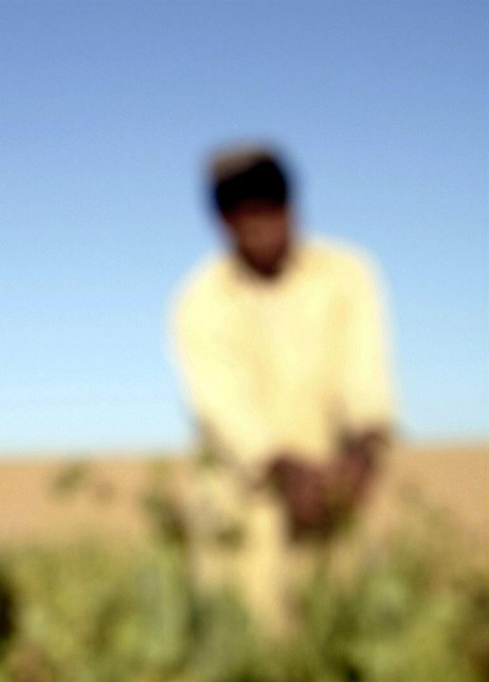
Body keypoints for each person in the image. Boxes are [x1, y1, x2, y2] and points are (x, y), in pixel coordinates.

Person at [169, 146, 394, 633]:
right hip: (244, 512)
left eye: (269, 214)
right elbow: (223, 408)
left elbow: (367, 376)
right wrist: (283, 470)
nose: (260, 231)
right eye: (243, 219)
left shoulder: (348, 274)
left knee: (349, 635)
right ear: (223, 223)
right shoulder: (200, 300)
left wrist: (362, 457)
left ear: (291, 208)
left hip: (341, 496)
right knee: (253, 643)